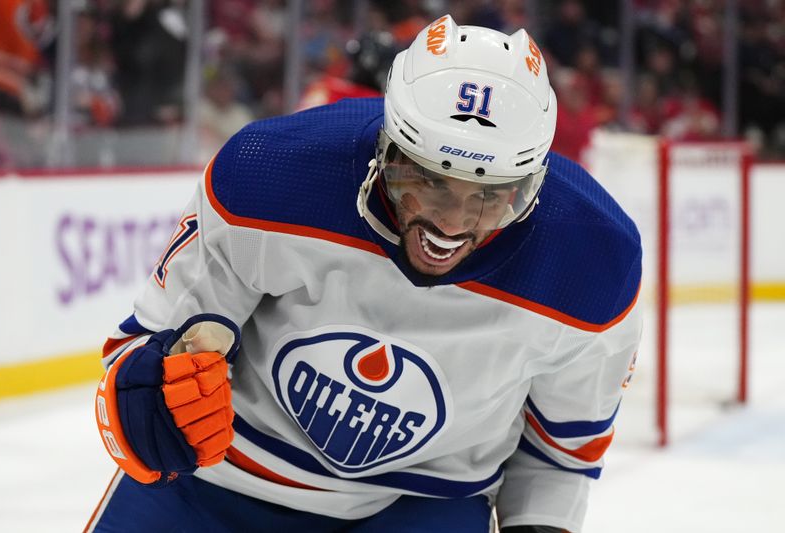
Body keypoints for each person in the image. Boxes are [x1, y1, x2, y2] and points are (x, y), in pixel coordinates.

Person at [89, 15, 642, 533]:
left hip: (418, 509)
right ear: (388, 149)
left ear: (531, 185)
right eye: (430, 182)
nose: (451, 224)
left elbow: (560, 454)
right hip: (213, 484)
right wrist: (148, 398)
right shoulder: (268, 176)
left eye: (490, 197)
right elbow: (144, 351)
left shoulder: (592, 264)